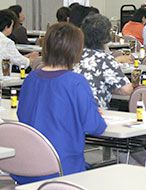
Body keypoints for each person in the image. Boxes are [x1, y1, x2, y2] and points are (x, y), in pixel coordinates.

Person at [14, 22, 106, 185]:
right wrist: (93, 112)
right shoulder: (75, 82)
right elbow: (95, 127)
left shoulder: (30, 79)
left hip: (25, 166)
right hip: (61, 169)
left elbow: (22, 115)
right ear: (76, 50)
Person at [74, 14, 133, 109]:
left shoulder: (72, 55)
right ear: (106, 37)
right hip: (95, 113)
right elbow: (126, 89)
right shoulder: (105, 60)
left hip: (72, 112)